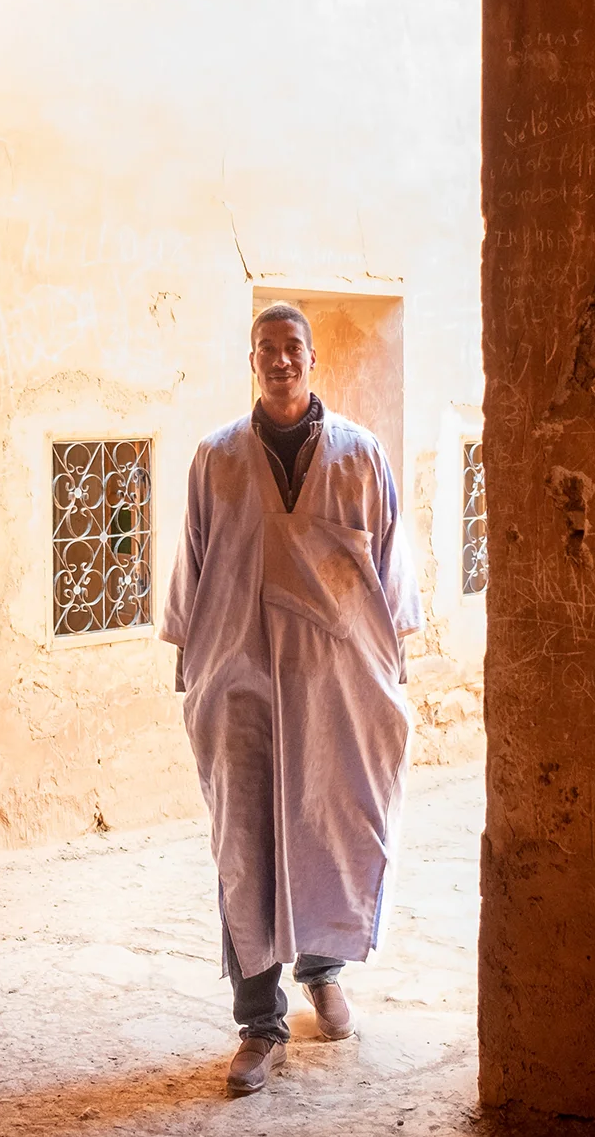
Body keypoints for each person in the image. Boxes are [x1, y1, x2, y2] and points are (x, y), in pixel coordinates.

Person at [161, 302, 424, 1096]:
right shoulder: (216, 459)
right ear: (252, 359)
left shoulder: (360, 456)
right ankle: (258, 1024)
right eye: (267, 349)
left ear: (313, 359)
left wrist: (390, 667)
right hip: (240, 682)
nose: (282, 360)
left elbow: (391, 573)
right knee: (247, 844)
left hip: (334, 686)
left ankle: (322, 969)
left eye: (294, 348)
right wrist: (195, 677)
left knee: (328, 820)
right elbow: (193, 567)